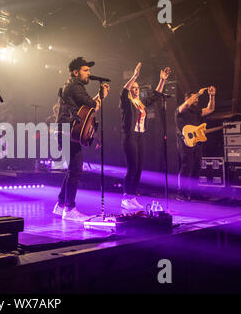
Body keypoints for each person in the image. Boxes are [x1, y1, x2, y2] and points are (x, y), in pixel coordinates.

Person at [53, 57, 110, 221]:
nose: (88, 74)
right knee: (76, 170)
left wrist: (98, 98)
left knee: (73, 170)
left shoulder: (72, 86)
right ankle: (69, 208)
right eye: (85, 70)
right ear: (75, 72)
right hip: (68, 133)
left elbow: (86, 106)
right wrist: (102, 96)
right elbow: (92, 105)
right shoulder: (75, 86)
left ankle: (60, 204)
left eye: (89, 71)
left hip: (67, 132)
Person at [120, 62, 171, 210]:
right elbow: (123, 91)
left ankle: (132, 196)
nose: (135, 90)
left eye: (137, 88)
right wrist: (135, 76)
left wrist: (162, 80)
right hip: (130, 136)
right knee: (132, 167)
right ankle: (126, 197)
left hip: (141, 136)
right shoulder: (127, 102)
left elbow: (155, 95)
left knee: (139, 168)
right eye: (133, 88)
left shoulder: (140, 103)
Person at [174, 86, 216, 201]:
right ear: (188, 98)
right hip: (185, 143)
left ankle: (194, 193)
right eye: (194, 98)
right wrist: (198, 93)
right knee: (186, 167)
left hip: (196, 142)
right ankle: (181, 193)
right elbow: (187, 104)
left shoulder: (196, 111)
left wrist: (212, 96)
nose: (197, 100)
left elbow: (210, 109)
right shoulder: (181, 109)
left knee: (196, 168)